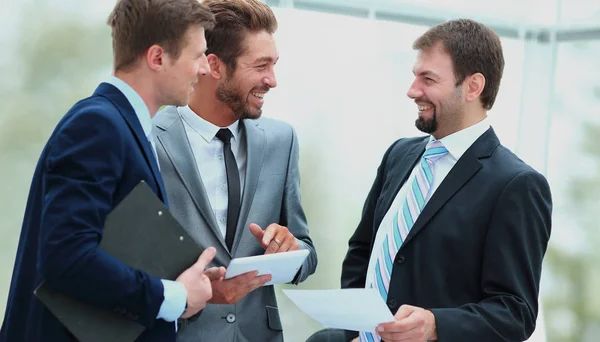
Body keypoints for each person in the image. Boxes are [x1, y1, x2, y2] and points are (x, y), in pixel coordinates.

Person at [1, 1, 218, 341]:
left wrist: (186, 284)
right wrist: (172, 297)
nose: (205, 69)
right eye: (198, 55)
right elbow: (67, 258)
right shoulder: (98, 126)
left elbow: (107, 250)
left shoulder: (123, 127)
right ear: (158, 58)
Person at [341, 19, 552, 342]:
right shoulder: (398, 155)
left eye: (428, 79)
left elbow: (514, 312)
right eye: (414, 76)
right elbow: (362, 252)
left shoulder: (517, 185)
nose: (412, 90)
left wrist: (435, 326)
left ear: (473, 86)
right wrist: (356, 330)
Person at [152, 0, 317, 341]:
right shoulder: (149, 136)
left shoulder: (281, 140)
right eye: (260, 66)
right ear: (214, 66)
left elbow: (307, 254)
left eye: (273, 65)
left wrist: (291, 249)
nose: (272, 80)